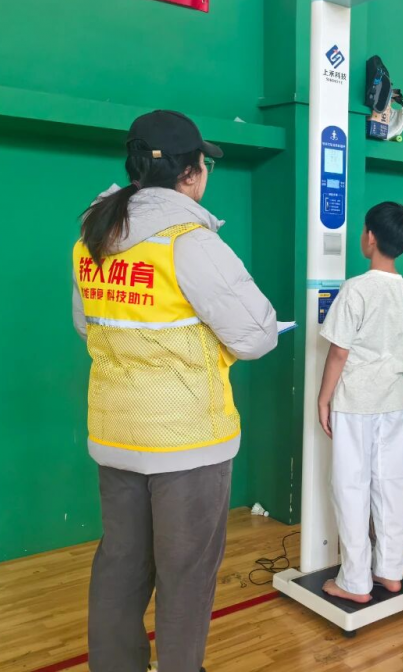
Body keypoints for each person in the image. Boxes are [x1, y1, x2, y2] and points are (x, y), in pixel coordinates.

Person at [72, 110, 278, 672]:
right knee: (185, 574)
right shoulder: (190, 241)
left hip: (115, 433)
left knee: (120, 565)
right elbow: (257, 336)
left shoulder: (93, 235)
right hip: (186, 441)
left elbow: (88, 325)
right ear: (191, 172)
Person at [317, 202, 403, 603]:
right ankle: (391, 571)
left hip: (356, 401)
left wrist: (324, 398)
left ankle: (355, 582)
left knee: (351, 486)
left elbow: (339, 352)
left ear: (370, 237)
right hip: (393, 401)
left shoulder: (356, 288)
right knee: (392, 485)